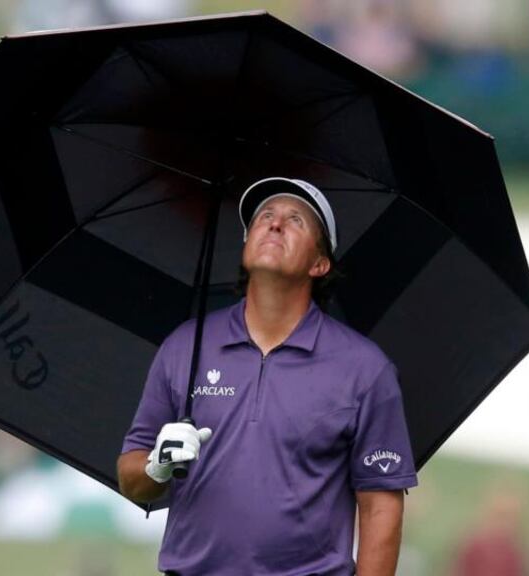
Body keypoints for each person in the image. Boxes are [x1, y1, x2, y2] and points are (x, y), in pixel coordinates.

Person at [116, 176, 418, 575]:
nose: (275, 224)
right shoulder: (185, 345)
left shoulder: (364, 368)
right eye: (265, 216)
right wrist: (156, 466)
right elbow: (131, 477)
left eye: (295, 220)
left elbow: (381, 506)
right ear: (246, 247)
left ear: (319, 263)